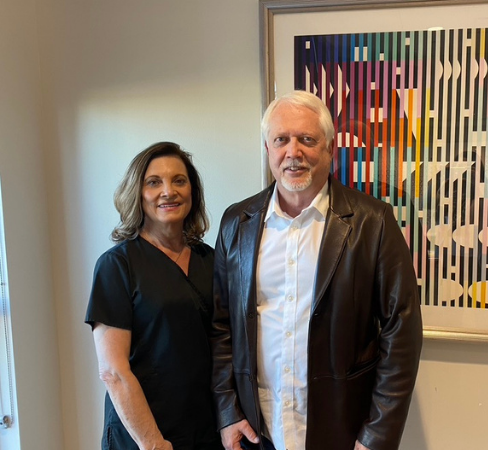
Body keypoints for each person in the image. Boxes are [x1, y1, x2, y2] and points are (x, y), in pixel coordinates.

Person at [210, 91, 423, 450]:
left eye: (307, 140)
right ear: (268, 150)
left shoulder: (374, 222)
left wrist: (376, 437)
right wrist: (227, 412)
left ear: (330, 149)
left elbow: (401, 333)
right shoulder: (236, 222)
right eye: (281, 140)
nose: (293, 152)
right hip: (257, 429)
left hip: (343, 429)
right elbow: (220, 325)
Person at [85, 142, 223, 450]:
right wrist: (152, 443)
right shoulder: (117, 265)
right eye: (154, 182)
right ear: (138, 193)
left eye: (179, 180)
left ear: (192, 191)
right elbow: (113, 371)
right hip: (143, 437)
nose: (168, 191)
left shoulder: (211, 261)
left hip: (205, 431)